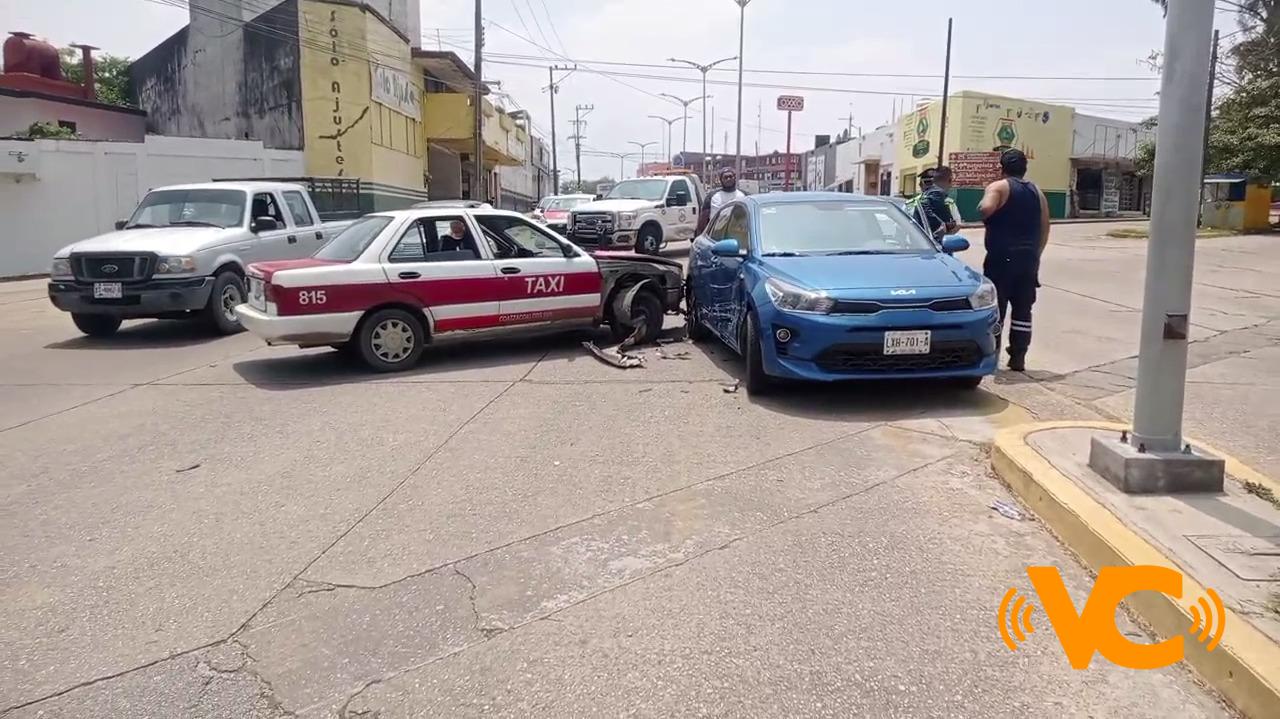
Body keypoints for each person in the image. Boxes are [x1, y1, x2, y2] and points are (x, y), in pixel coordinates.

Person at [978, 149, 1051, 372]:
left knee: (996, 309)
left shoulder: (998, 187)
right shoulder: (1037, 192)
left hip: (1001, 259)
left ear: (1002, 168)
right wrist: (1036, 256)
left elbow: (986, 208)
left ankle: (994, 355)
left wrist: (983, 207)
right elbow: (1045, 227)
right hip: (1028, 260)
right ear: (1024, 168)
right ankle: (1018, 356)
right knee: (1023, 309)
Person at [908, 167, 959, 239]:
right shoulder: (947, 201)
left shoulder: (911, 203)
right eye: (927, 182)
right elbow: (956, 226)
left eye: (930, 182)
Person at [696, 168, 746, 235]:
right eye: (725, 177)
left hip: (739, 233)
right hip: (716, 235)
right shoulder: (711, 196)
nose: (728, 179)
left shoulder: (744, 196)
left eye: (730, 177)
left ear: (735, 178)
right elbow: (703, 220)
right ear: (721, 180)